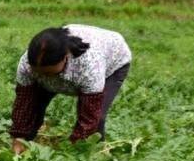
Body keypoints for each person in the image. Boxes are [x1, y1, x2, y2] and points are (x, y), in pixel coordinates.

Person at [9, 25, 131, 154]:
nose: (43, 76)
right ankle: (22, 147)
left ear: (65, 57)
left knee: (97, 119)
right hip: (70, 67)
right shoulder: (27, 64)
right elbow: (24, 104)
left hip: (114, 59)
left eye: (48, 73)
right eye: (37, 72)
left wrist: (73, 153)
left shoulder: (89, 66)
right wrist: (19, 137)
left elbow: (89, 117)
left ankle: (95, 155)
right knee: (33, 105)